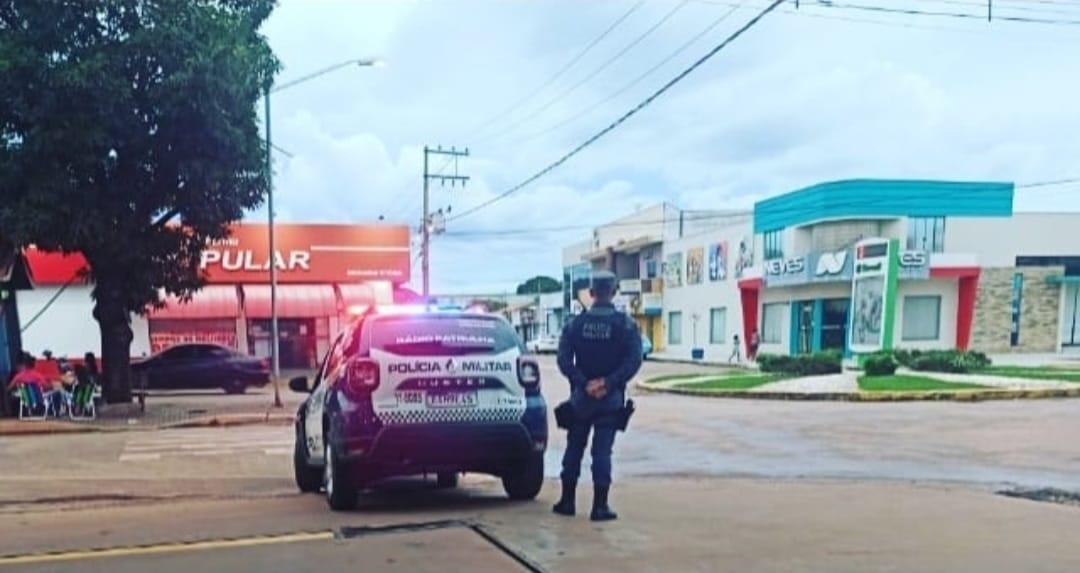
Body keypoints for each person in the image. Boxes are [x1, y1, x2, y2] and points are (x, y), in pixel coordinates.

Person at [555, 271, 643, 522]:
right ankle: (599, 506)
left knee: (574, 447)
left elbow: (563, 360)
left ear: (591, 293)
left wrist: (583, 383)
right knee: (602, 453)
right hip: (610, 399)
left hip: (581, 399)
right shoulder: (625, 325)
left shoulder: (575, 324)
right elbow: (634, 360)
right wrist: (610, 382)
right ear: (614, 292)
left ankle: (567, 501)